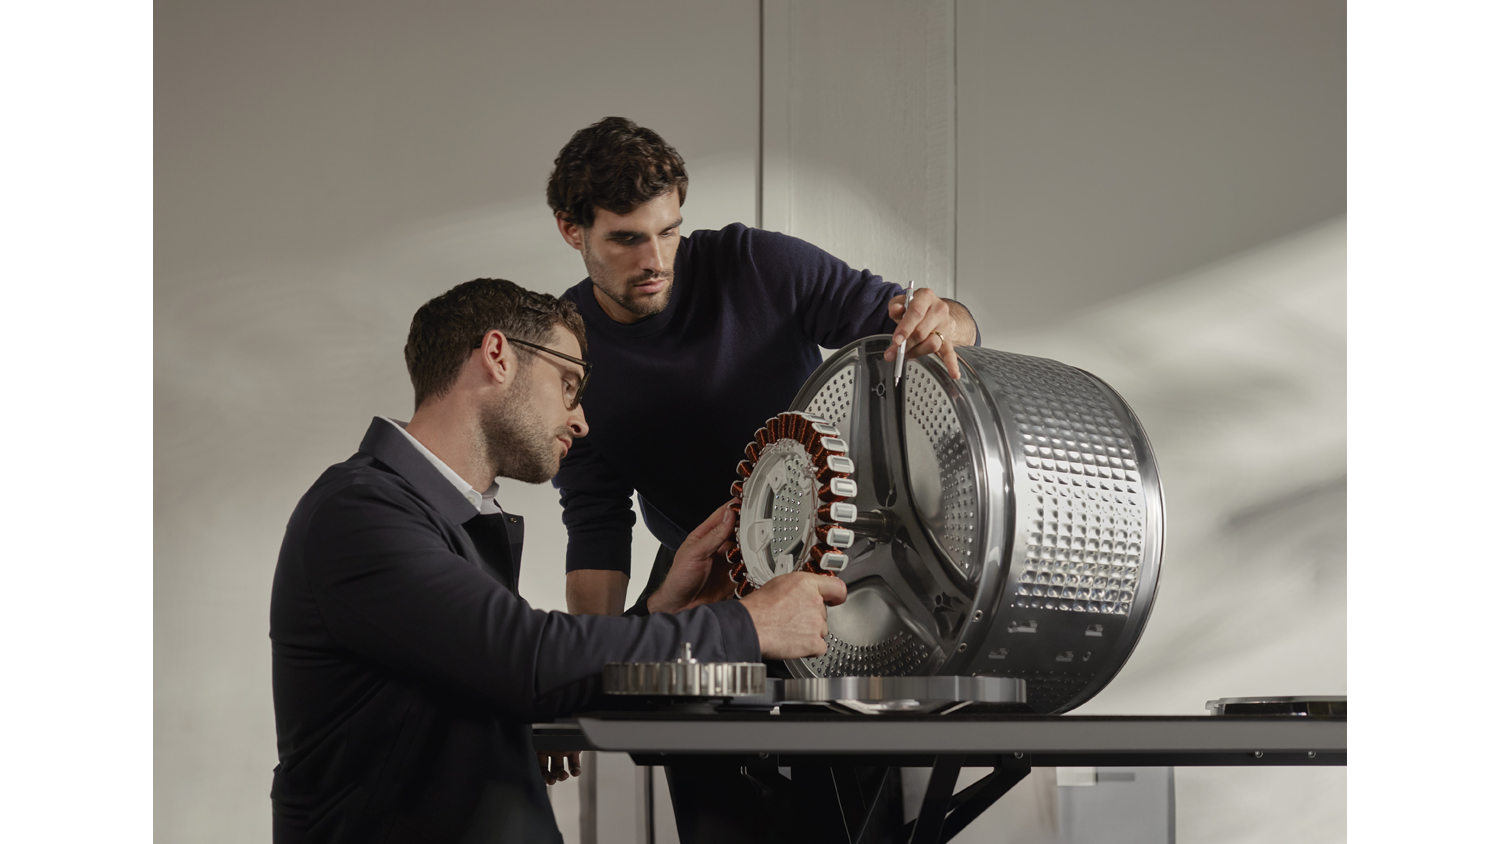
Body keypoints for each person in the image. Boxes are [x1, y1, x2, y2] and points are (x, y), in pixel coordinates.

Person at [268, 278, 846, 843]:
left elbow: (514, 668)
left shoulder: (444, 519)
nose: (581, 419)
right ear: (498, 356)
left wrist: (664, 609)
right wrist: (747, 625)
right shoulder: (360, 511)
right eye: (568, 384)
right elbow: (527, 662)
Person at [548, 116, 981, 617]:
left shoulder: (755, 263)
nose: (656, 261)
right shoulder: (567, 352)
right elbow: (595, 520)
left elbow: (923, 328)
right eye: (626, 240)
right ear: (571, 230)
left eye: (668, 232)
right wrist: (591, 654)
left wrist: (945, 320)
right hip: (704, 569)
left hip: (843, 537)